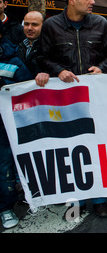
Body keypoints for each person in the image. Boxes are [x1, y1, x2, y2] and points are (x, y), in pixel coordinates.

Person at [37, 0, 107, 219]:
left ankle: (100, 198)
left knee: (97, 147)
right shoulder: (51, 26)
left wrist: (102, 68)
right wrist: (58, 70)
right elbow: (41, 57)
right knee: (72, 149)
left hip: (95, 98)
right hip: (67, 100)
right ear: (72, 0)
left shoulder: (101, 24)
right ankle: (77, 199)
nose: (93, 1)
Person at [0, 22, 32, 229]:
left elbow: (26, 92)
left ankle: (5, 207)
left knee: (5, 166)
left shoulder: (12, 61)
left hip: (5, 126)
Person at [17, 11, 50, 87]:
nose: (29, 28)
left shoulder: (51, 47)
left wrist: (47, 73)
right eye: (26, 24)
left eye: (34, 24)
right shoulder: (17, 47)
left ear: (44, 26)